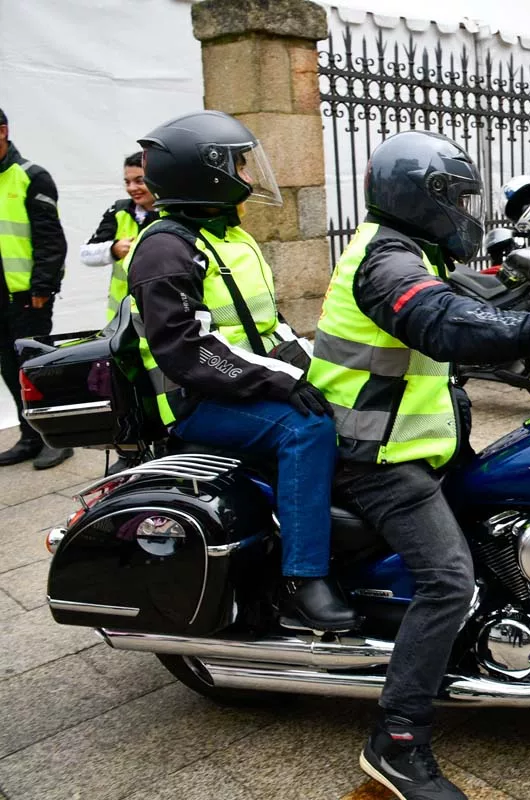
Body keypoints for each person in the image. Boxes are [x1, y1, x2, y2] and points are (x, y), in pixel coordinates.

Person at [306, 130, 530, 800]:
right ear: (423, 195)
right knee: (449, 580)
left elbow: (471, 311)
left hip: (417, 445)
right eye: (458, 197)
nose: (468, 211)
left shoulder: (412, 251)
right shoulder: (384, 262)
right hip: (377, 459)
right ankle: (397, 741)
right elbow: (437, 320)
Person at [125, 110, 356, 632]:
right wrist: (283, 382)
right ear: (205, 172)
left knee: (344, 406)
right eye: (240, 165)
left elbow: (268, 329)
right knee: (307, 429)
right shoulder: (166, 247)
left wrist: (321, 373)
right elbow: (188, 349)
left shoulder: (229, 236)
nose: (249, 175)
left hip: (240, 385)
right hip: (198, 401)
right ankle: (303, 580)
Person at [0, 107, 71, 469]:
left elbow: (51, 239)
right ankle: (30, 436)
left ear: (3, 132)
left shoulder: (31, 176)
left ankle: (58, 437)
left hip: (28, 295)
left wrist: (43, 286)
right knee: (10, 368)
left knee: (36, 366)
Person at [81, 152, 159, 322]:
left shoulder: (175, 214)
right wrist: (113, 250)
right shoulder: (119, 211)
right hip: (121, 320)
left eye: (139, 181)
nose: (131, 188)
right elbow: (86, 254)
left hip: (158, 316)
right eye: (127, 182)